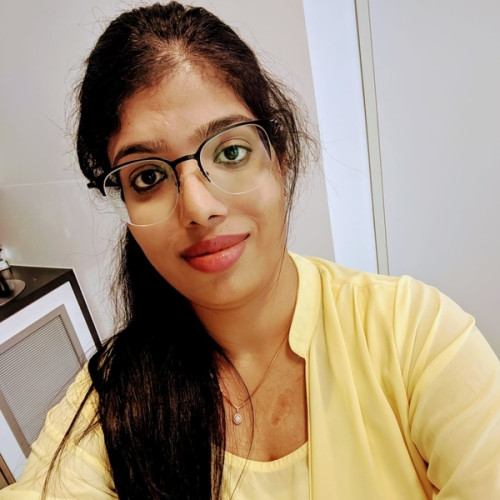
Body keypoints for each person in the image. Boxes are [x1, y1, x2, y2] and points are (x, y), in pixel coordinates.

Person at [1, 2, 500, 499]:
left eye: (230, 151)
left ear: (279, 158)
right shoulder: (112, 403)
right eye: (148, 176)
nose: (198, 208)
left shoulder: (414, 334)